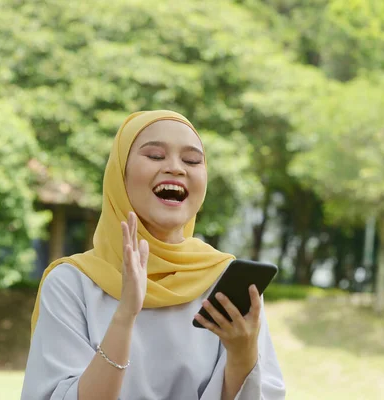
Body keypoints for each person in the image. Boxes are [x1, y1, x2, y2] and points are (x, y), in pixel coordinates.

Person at [20, 110, 286, 400]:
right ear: (120, 175)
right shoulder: (72, 283)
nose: (176, 168)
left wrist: (242, 353)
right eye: (156, 156)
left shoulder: (224, 282)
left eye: (192, 160)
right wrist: (125, 313)